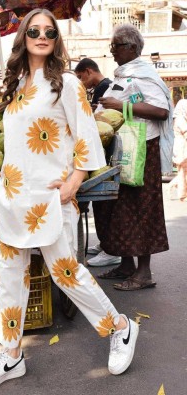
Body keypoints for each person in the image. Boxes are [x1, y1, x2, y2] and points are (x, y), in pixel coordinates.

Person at [0, 9, 139, 390]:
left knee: (65, 272)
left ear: (56, 39)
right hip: (13, 196)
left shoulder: (65, 82)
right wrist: (4, 174)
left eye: (50, 31)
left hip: (50, 195)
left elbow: (85, 134)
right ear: (24, 36)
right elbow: (17, 138)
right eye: (34, 30)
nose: (42, 35)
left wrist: (75, 180)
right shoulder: (14, 83)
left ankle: (121, 327)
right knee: (11, 279)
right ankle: (11, 355)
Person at [92, 24, 173, 290]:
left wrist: (121, 105)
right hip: (122, 150)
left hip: (142, 150)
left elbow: (160, 111)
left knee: (141, 209)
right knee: (117, 208)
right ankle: (126, 265)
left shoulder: (144, 74)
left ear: (131, 48)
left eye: (115, 46)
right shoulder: (124, 74)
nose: (112, 51)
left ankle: (144, 273)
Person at [74, 59, 121, 267]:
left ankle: (111, 248)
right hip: (95, 147)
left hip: (98, 151)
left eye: (81, 77)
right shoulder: (101, 88)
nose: (81, 83)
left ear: (89, 71)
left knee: (104, 207)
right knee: (101, 208)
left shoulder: (104, 87)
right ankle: (105, 245)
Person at [168, 99, 187, 201]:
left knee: (183, 173)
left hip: (182, 148)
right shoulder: (180, 120)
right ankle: (182, 195)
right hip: (182, 150)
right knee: (183, 172)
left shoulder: (181, 118)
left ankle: (172, 186)